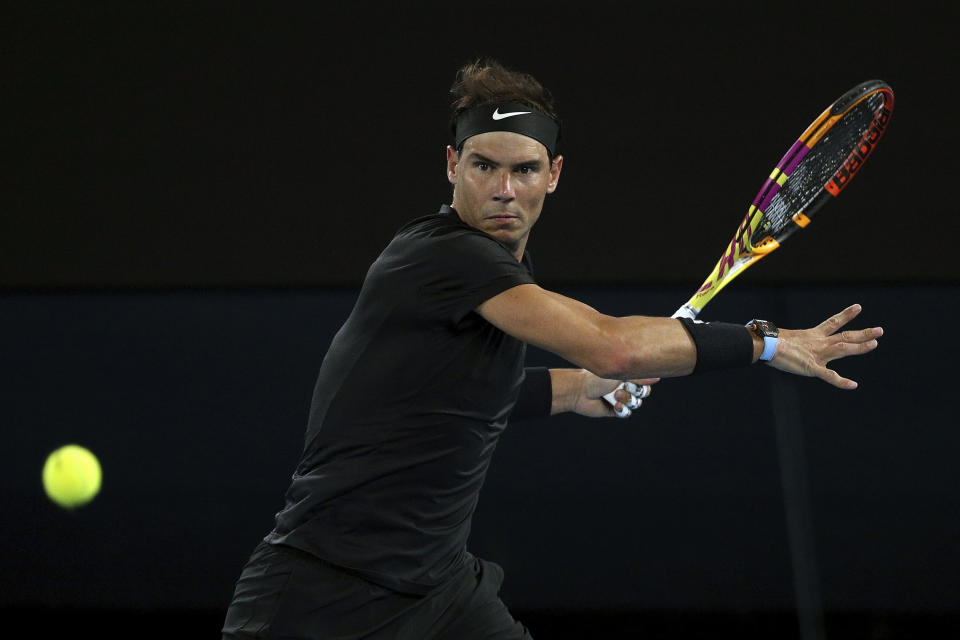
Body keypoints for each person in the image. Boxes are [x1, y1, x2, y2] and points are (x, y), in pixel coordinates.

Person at [221, 59, 882, 640]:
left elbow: (476, 396)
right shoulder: (442, 255)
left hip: (439, 594)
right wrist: (762, 344)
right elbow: (614, 348)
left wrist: (584, 393)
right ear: (453, 166)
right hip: (320, 597)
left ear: (554, 174)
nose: (504, 189)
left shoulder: (491, 275)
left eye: (524, 169)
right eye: (484, 166)